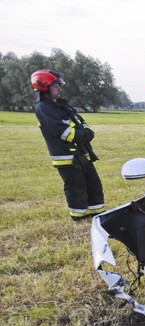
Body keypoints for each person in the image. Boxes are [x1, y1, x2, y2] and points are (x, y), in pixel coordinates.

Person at [32, 69, 104, 221]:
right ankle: (79, 217)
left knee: (93, 184)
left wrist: (85, 132)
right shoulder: (44, 108)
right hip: (66, 156)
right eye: (56, 86)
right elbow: (65, 133)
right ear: (44, 86)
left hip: (80, 152)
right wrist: (84, 135)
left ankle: (96, 214)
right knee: (76, 188)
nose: (60, 89)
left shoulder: (62, 105)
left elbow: (81, 122)